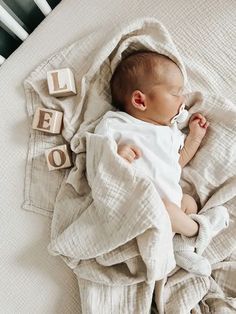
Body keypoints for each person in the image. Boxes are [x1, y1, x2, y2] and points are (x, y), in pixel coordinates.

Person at [95, 51, 229, 276]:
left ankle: (181, 247)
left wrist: (194, 137)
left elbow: (176, 163)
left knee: (187, 202)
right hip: (143, 207)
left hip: (171, 206)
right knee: (168, 208)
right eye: (176, 93)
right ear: (140, 100)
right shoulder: (116, 124)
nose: (183, 100)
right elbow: (98, 157)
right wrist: (117, 156)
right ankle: (198, 230)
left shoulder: (168, 132)